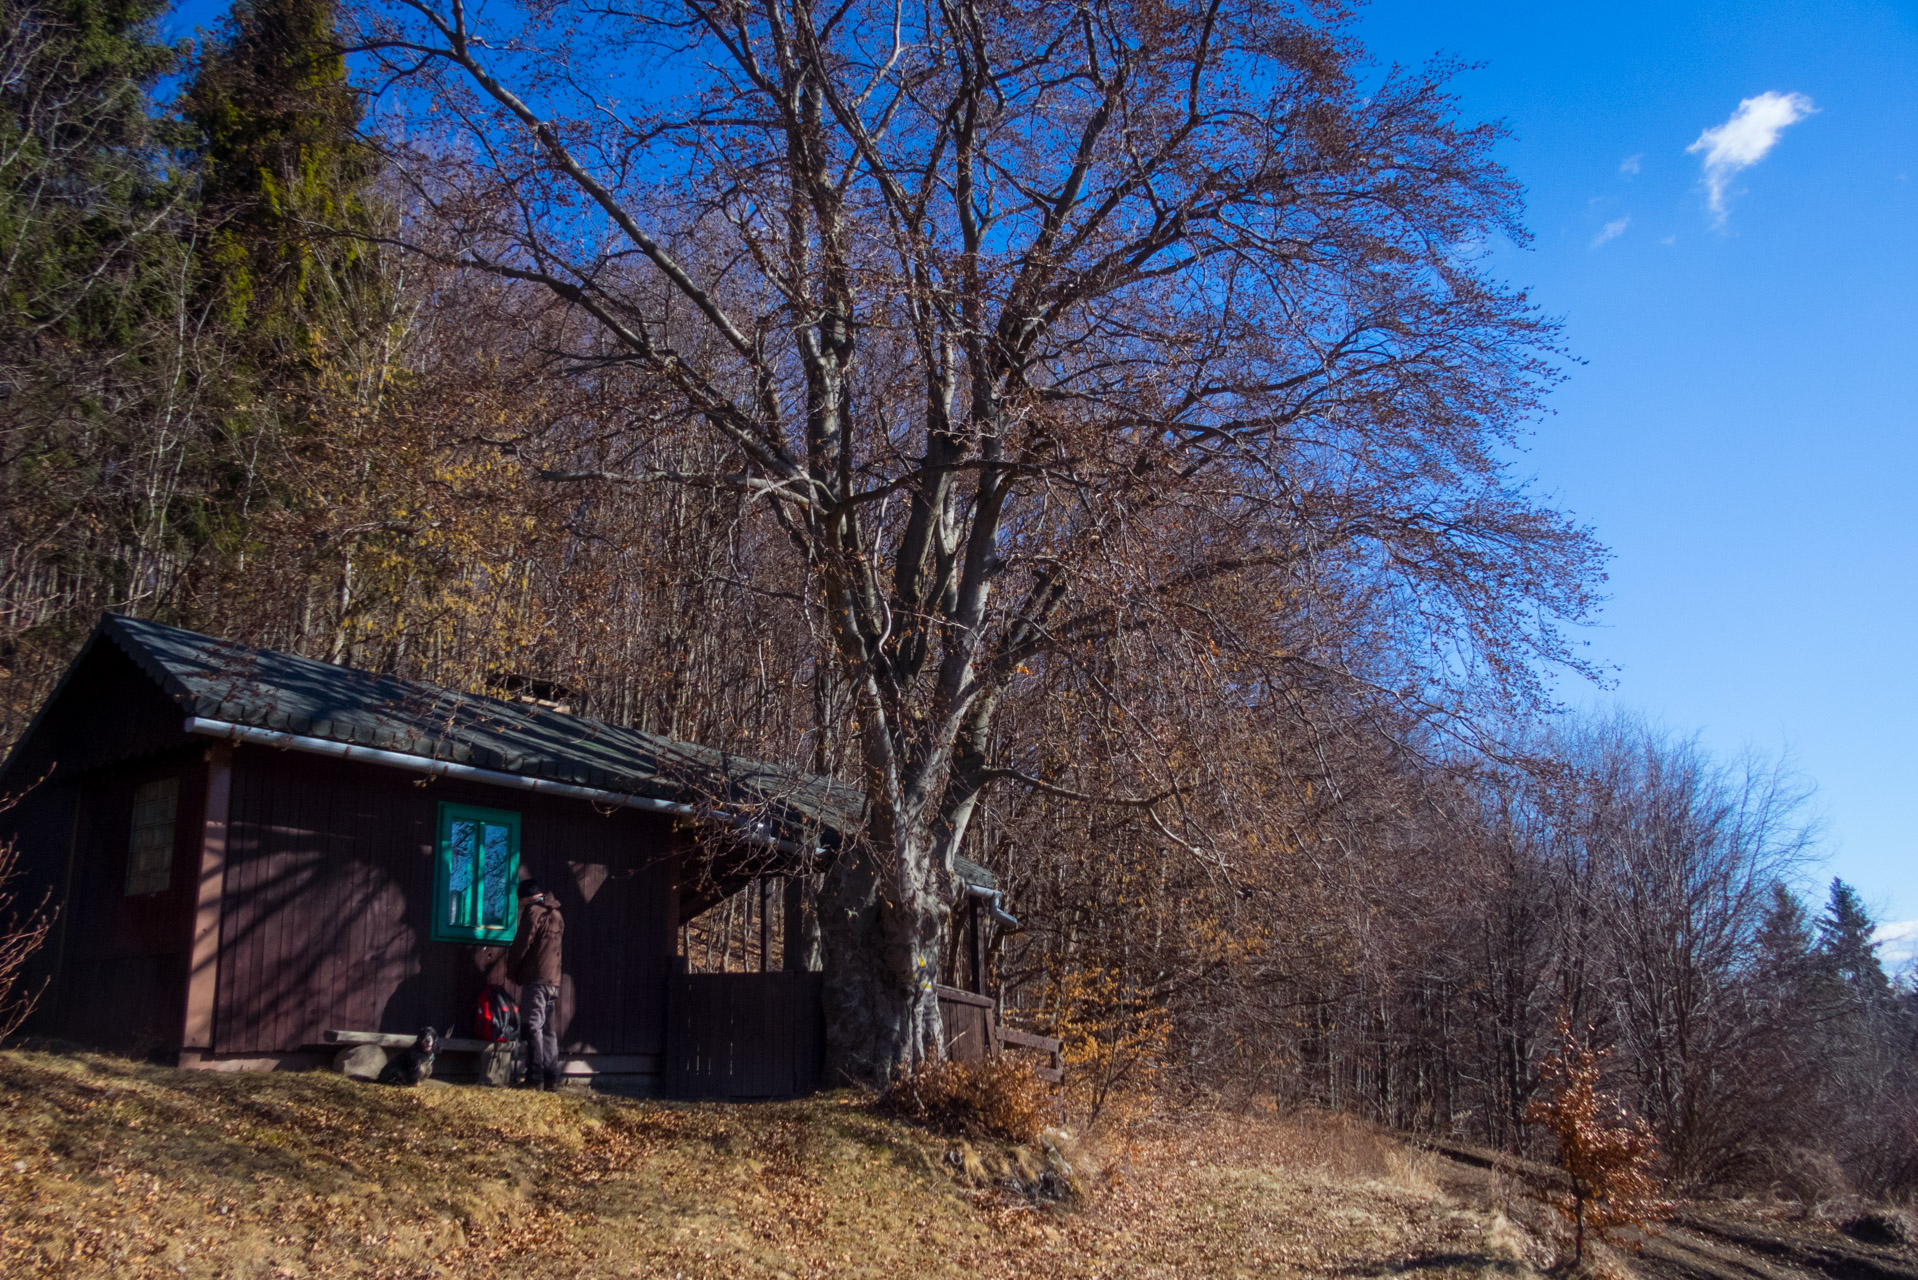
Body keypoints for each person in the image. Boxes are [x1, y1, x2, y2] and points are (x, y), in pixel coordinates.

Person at [506, 877, 564, 1090]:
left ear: (525, 897)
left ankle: (534, 1077)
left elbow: (521, 945)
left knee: (532, 1026)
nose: (519, 905)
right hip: (553, 981)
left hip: (537, 979)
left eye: (520, 901)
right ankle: (551, 1078)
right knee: (548, 1028)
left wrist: (511, 971)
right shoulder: (556, 914)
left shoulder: (534, 912)